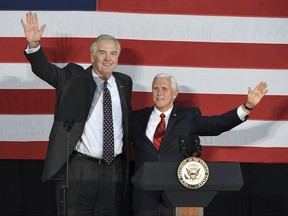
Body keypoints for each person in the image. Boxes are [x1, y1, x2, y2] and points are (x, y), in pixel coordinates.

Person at [21, 12, 132, 216]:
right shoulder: (74, 77)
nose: (108, 58)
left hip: (113, 169)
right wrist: (34, 46)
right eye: (102, 53)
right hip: (79, 167)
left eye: (113, 53)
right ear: (92, 56)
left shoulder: (124, 83)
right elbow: (46, 70)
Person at [131, 73, 268, 216]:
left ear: (175, 94)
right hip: (144, 197)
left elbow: (217, 124)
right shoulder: (136, 117)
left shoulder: (189, 116)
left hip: (177, 194)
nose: (159, 93)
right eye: (156, 89)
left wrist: (246, 107)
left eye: (164, 89)